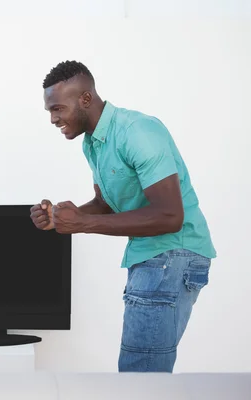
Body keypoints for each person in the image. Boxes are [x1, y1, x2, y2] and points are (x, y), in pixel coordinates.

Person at [31, 61, 216, 373]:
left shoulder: (137, 131)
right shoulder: (93, 143)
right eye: (50, 111)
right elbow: (105, 204)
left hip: (172, 253)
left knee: (139, 376)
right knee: (141, 374)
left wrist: (83, 224)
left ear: (85, 99)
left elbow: (171, 215)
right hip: (154, 255)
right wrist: (64, 217)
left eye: (58, 109)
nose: (53, 119)